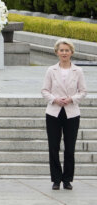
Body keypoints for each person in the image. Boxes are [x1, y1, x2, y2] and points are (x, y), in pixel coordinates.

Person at [42, 39, 87, 190]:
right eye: (61, 50)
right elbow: (44, 90)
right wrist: (54, 99)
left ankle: (67, 179)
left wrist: (71, 99)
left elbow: (83, 91)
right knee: (53, 147)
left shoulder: (78, 71)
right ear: (57, 52)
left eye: (67, 50)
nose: (64, 53)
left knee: (70, 147)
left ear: (71, 52)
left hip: (71, 113)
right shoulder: (51, 70)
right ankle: (56, 179)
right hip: (54, 112)